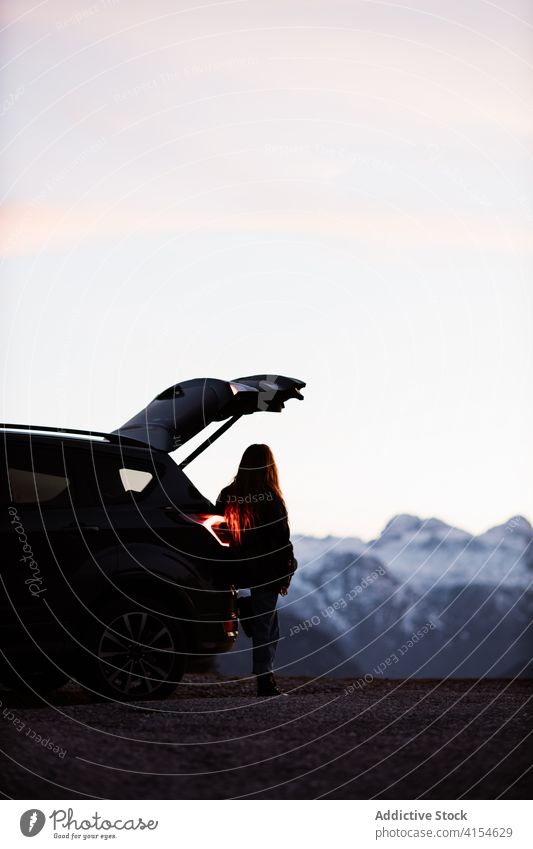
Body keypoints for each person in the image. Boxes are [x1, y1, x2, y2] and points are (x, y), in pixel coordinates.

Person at [216, 444, 297, 697]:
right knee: (267, 627)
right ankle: (265, 680)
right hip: (265, 570)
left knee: (266, 624)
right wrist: (286, 572)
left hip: (234, 567)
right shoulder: (271, 497)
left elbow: (218, 527)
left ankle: (245, 608)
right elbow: (281, 540)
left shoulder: (227, 494)